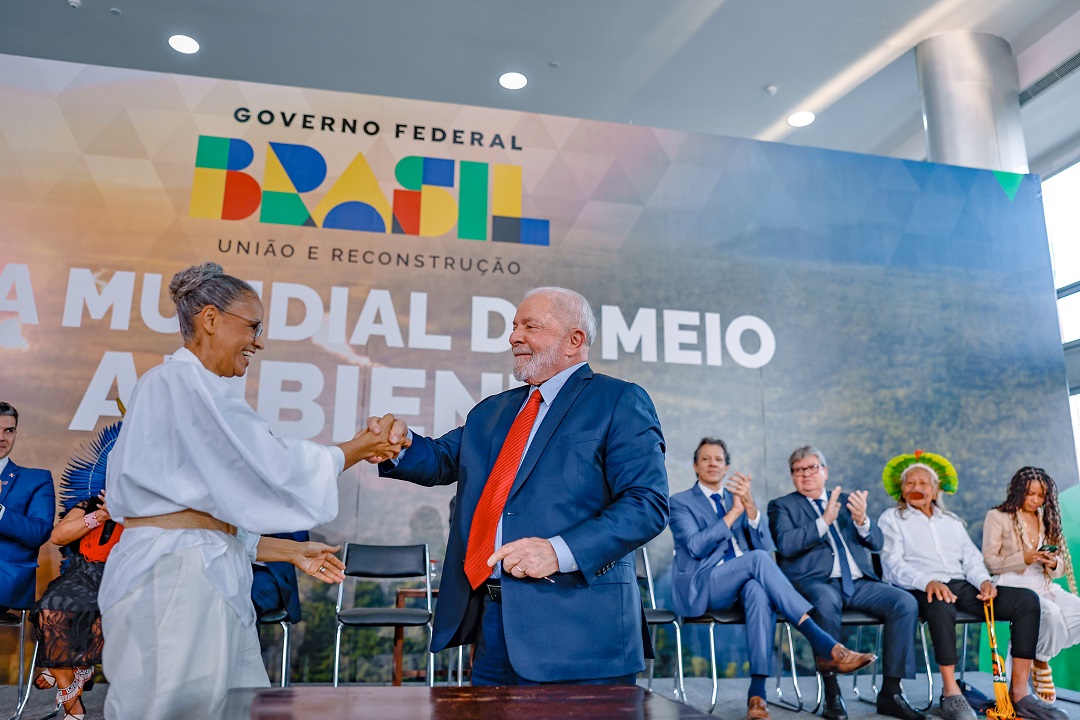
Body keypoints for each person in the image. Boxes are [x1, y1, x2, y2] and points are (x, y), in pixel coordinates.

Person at [98, 262, 403, 720]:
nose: (258, 341)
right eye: (254, 326)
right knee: (173, 706)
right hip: (175, 581)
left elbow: (203, 511)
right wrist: (359, 447)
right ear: (211, 318)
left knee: (231, 706)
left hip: (200, 571)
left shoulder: (195, 387)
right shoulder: (178, 382)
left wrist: (288, 551)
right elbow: (270, 465)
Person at [373, 286, 669, 685]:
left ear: (574, 340)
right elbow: (443, 458)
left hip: (581, 631)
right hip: (493, 625)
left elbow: (646, 505)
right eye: (514, 327)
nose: (514, 336)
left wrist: (558, 551)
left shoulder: (619, 400)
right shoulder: (494, 411)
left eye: (530, 326)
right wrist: (401, 445)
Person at [670, 438, 876, 720]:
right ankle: (826, 643)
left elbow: (765, 545)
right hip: (705, 584)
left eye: (718, 459)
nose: (712, 464)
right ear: (695, 465)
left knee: (757, 589)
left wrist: (751, 508)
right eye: (705, 459)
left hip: (743, 584)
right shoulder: (680, 502)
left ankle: (757, 696)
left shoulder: (739, 499)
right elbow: (695, 547)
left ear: (727, 466)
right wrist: (733, 515)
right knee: (757, 562)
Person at [878, 452, 1066, 720]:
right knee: (941, 604)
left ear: (935, 491)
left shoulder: (952, 522)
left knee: (1026, 601)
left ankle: (1020, 694)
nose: (916, 488)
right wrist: (927, 582)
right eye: (910, 483)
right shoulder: (892, 519)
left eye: (923, 483)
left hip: (962, 585)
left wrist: (984, 581)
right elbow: (891, 564)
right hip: (920, 587)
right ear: (901, 490)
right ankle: (952, 693)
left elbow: (972, 559)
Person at [768, 446, 924, 720]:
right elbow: (786, 545)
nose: (805, 474)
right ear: (792, 476)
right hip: (815, 582)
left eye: (812, 467)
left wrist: (862, 520)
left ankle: (891, 692)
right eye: (798, 470)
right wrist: (823, 521)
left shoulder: (848, 501)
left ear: (825, 471)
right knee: (825, 602)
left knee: (905, 602)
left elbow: (876, 542)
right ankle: (832, 694)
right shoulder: (782, 506)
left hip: (859, 583)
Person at [982, 467, 1079, 705]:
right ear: (1017, 491)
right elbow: (990, 561)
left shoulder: (1046, 518)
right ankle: (1042, 661)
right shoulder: (997, 516)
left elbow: (1060, 569)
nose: (1035, 501)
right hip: (1013, 587)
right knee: (1053, 616)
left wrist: (1052, 562)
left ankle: (1035, 654)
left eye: (1040, 496)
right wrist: (1023, 557)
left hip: (1045, 585)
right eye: (1029, 494)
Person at [0, 401, 55, 616]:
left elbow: (38, 533)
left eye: (9, 430)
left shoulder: (36, 479)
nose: (2, 438)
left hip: (5, 577)